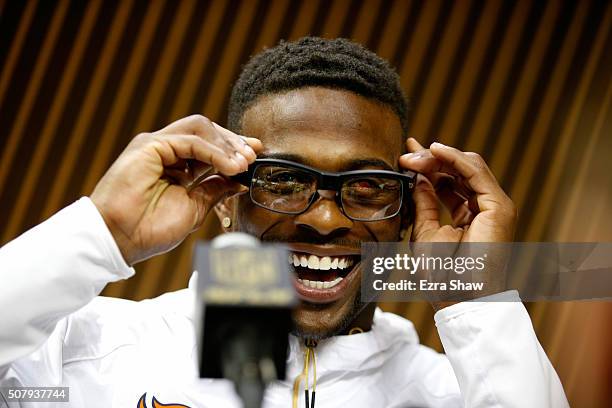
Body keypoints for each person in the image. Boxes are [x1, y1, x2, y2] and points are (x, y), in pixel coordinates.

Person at [0, 37, 568, 408]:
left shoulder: (456, 392)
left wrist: (477, 301)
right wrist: (104, 232)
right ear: (224, 195)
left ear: (406, 214)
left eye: (366, 187)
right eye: (284, 180)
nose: (323, 219)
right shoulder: (77, 351)